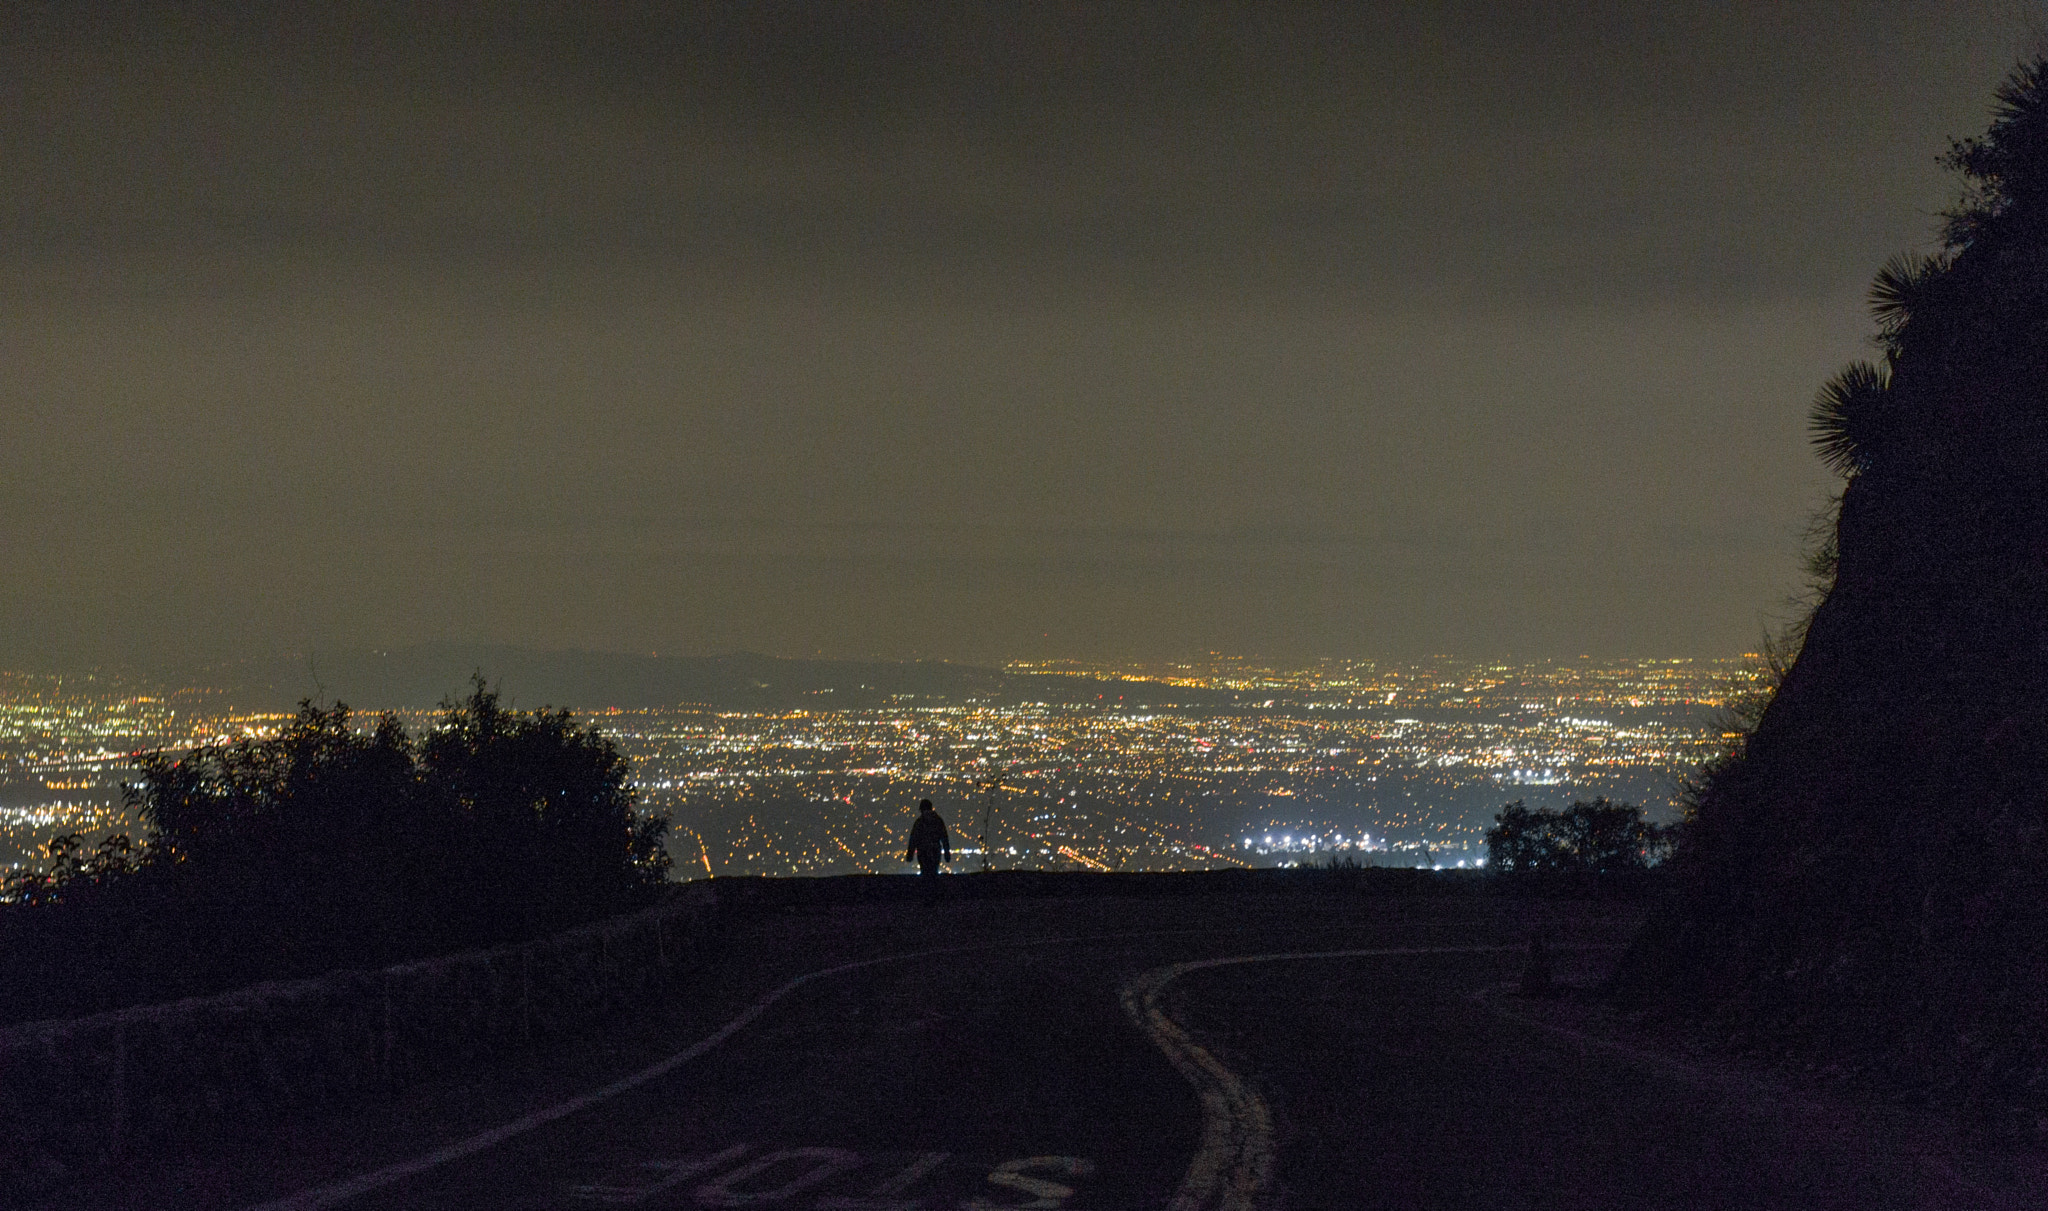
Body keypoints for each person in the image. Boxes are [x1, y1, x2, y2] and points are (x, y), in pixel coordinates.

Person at [905, 799, 950, 878]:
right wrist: (947, 854)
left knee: (925, 873)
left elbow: (913, 839)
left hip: (923, 851)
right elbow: (944, 837)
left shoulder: (919, 822)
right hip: (935, 850)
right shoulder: (938, 820)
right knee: (934, 873)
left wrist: (910, 855)